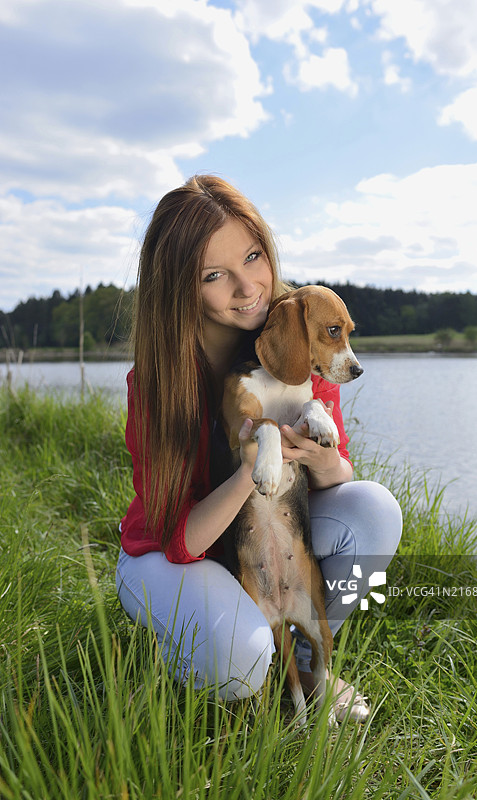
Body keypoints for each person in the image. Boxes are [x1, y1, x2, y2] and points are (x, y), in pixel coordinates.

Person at [116, 175, 402, 723]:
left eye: (252, 256)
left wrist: (322, 459)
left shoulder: (298, 340)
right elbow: (182, 540)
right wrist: (251, 469)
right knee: (241, 658)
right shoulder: (157, 382)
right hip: (168, 554)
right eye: (214, 275)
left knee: (372, 510)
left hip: (257, 535)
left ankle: (302, 661)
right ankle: (220, 661)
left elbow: (332, 486)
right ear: (181, 288)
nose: (248, 287)